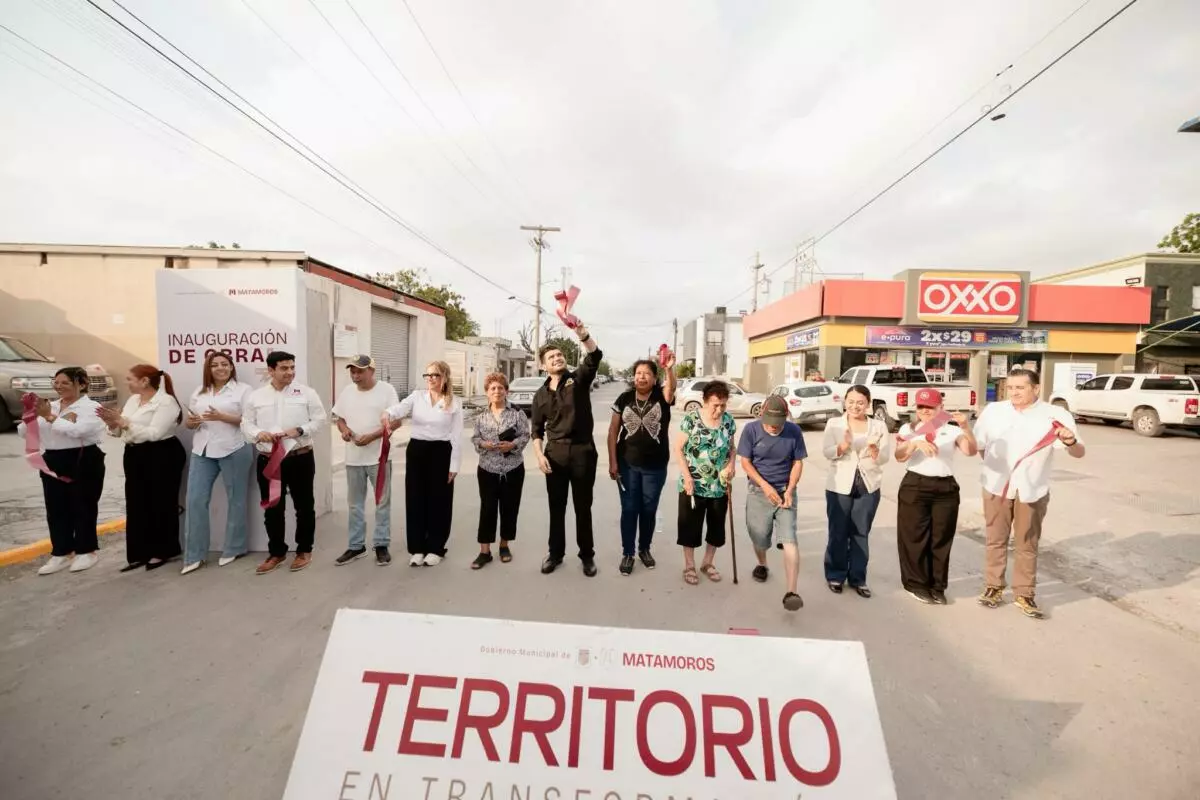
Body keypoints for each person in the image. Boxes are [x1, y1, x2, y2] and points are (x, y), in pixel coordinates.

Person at [973, 369, 1083, 619]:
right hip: (996, 487)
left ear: (1035, 388)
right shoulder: (994, 412)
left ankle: (1024, 593)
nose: (1014, 393)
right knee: (995, 539)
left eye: (1020, 388)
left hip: (1032, 490)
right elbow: (981, 447)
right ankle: (993, 587)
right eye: (1010, 388)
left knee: (1027, 543)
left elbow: (1079, 452)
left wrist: (1069, 441)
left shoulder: (1055, 414)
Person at [242, 350, 327, 575]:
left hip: (299, 457)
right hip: (270, 461)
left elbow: (320, 419)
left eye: (292, 367)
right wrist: (258, 433)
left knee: (304, 507)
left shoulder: (306, 393)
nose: (289, 372)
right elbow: (246, 424)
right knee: (272, 509)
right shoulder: (256, 397)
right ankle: (277, 553)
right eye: (284, 368)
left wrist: (300, 430)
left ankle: (304, 550)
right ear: (271, 370)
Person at [18, 367, 107, 575]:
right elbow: (25, 433)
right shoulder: (51, 406)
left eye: (65, 383)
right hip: (53, 458)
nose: (59, 387)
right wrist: (30, 414)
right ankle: (62, 552)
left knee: (82, 505)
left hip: (83, 458)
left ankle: (87, 551)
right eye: (56, 383)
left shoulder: (91, 407)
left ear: (82, 384)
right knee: (56, 508)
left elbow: (78, 430)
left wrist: (49, 417)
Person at [98, 365, 186, 571]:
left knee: (161, 502)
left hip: (161, 454)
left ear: (145, 381)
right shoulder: (132, 401)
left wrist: (125, 423)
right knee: (136, 502)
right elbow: (122, 430)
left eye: (130, 379)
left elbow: (154, 433)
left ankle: (163, 550)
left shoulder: (166, 402)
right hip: (134, 454)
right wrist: (113, 424)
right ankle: (139, 552)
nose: (126, 383)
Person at [893, 388, 977, 604]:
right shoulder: (908, 428)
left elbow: (970, 451)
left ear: (940, 407)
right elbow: (899, 456)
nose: (925, 410)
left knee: (940, 538)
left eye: (930, 406)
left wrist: (966, 427)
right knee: (914, 537)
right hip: (915, 485)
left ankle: (937, 586)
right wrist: (914, 443)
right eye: (920, 406)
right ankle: (916, 583)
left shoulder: (951, 430)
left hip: (945, 488)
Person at [531, 323, 602, 576]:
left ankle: (587, 556)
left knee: (583, 507)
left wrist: (582, 334)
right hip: (555, 456)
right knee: (556, 508)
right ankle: (556, 554)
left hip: (583, 451)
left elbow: (594, 356)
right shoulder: (539, 395)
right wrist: (539, 456)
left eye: (559, 354)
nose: (557, 358)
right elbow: (536, 431)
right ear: (543, 365)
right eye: (551, 357)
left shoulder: (578, 380)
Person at [381, 360, 462, 567]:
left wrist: (454, 465)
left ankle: (435, 547)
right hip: (417, 450)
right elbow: (400, 408)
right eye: (428, 375)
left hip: (441, 451)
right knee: (416, 498)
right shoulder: (417, 397)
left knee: (439, 500)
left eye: (435, 375)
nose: (430, 379)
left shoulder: (454, 402)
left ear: (444, 377)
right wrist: (388, 413)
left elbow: (457, 436)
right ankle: (417, 548)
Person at [181, 352, 253, 575]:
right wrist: (191, 422)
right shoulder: (199, 391)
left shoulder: (244, 390)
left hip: (234, 448)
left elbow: (250, 421)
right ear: (208, 369)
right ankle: (194, 555)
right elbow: (190, 423)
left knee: (236, 499)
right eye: (215, 365)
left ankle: (235, 547)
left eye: (225, 364)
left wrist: (222, 416)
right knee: (195, 501)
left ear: (231, 367)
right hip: (202, 449)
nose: (221, 368)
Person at [737, 394, 808, 611]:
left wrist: (791, 488)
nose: (774, 427)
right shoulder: (751, 430)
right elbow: (746, 463)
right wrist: (765, 486)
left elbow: (797, 463)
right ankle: (762, 563)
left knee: (789, 539)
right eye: (769, 423)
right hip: (759, 491)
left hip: (785, 492)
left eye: (778, 424)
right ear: (762, 415)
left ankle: (791, 592)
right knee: (759, 538)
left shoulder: (794, 431)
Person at [607, 353, 677, 575]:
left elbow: (671, 388)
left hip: (655, 467)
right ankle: (628, 553)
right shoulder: (624, 399)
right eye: (638, 373)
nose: (642, 377)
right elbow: (612, 432)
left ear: (654, 378)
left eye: (647, 373)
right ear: (633, 377)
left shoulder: (661, 396)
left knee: (648, 510)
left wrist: (669, 369)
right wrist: (612, 462)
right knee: (629, 509)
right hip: (627, 465)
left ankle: (644, 549)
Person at [822, 384, 891, 598]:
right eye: (851, 401)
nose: (855, 406)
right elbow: (827, 452)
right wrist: (842, 446)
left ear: (868, 404)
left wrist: (874, 451)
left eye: (860, 402)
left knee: (861, 532)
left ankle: (858, 578)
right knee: (838, 531)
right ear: (845, 402)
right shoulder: (834, 424)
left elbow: (885, 458)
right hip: (840, 484)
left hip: (868, 484)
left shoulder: (879, 427)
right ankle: (835, 574)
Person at [331, 355, 399, 567]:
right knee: (355, 505)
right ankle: (356, 546)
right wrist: (345, 432)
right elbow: (339, 419)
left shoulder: (387, 390)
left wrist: (372, 436)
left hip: (379, 458)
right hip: (353, 458)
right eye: (352, 371)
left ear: (372, 371)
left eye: (360, 371)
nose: (355, 375)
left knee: (382, 503)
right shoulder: (347, 392)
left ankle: (381, 544)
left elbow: (396, 421)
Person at [674, 380, 737, 588]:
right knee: (690, 527)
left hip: (718, 485)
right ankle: (689, 565)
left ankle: (707, 563)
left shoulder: (728, 421)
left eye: (723, 405)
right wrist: (687, 476)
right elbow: (678, 449)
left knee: (716, 528)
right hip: (693, 485)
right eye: (715, 405)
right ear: (704, 402)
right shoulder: (691, 420)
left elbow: (731, 449)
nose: (719, 410)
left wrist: (731, 466)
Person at [470, 372, 530, 569]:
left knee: (509, 508)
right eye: (492, 388)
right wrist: (483, 444)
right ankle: (484, 551)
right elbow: (475, 439)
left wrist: (512, 445)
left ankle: (504, 545)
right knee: (487, 509)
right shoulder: (480, 416)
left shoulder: (517, 413)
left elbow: (525, 435)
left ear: (507, 391)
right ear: (487, 392)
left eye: (500, 388)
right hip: (487, 469)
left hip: (513, 469)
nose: (497, 391)